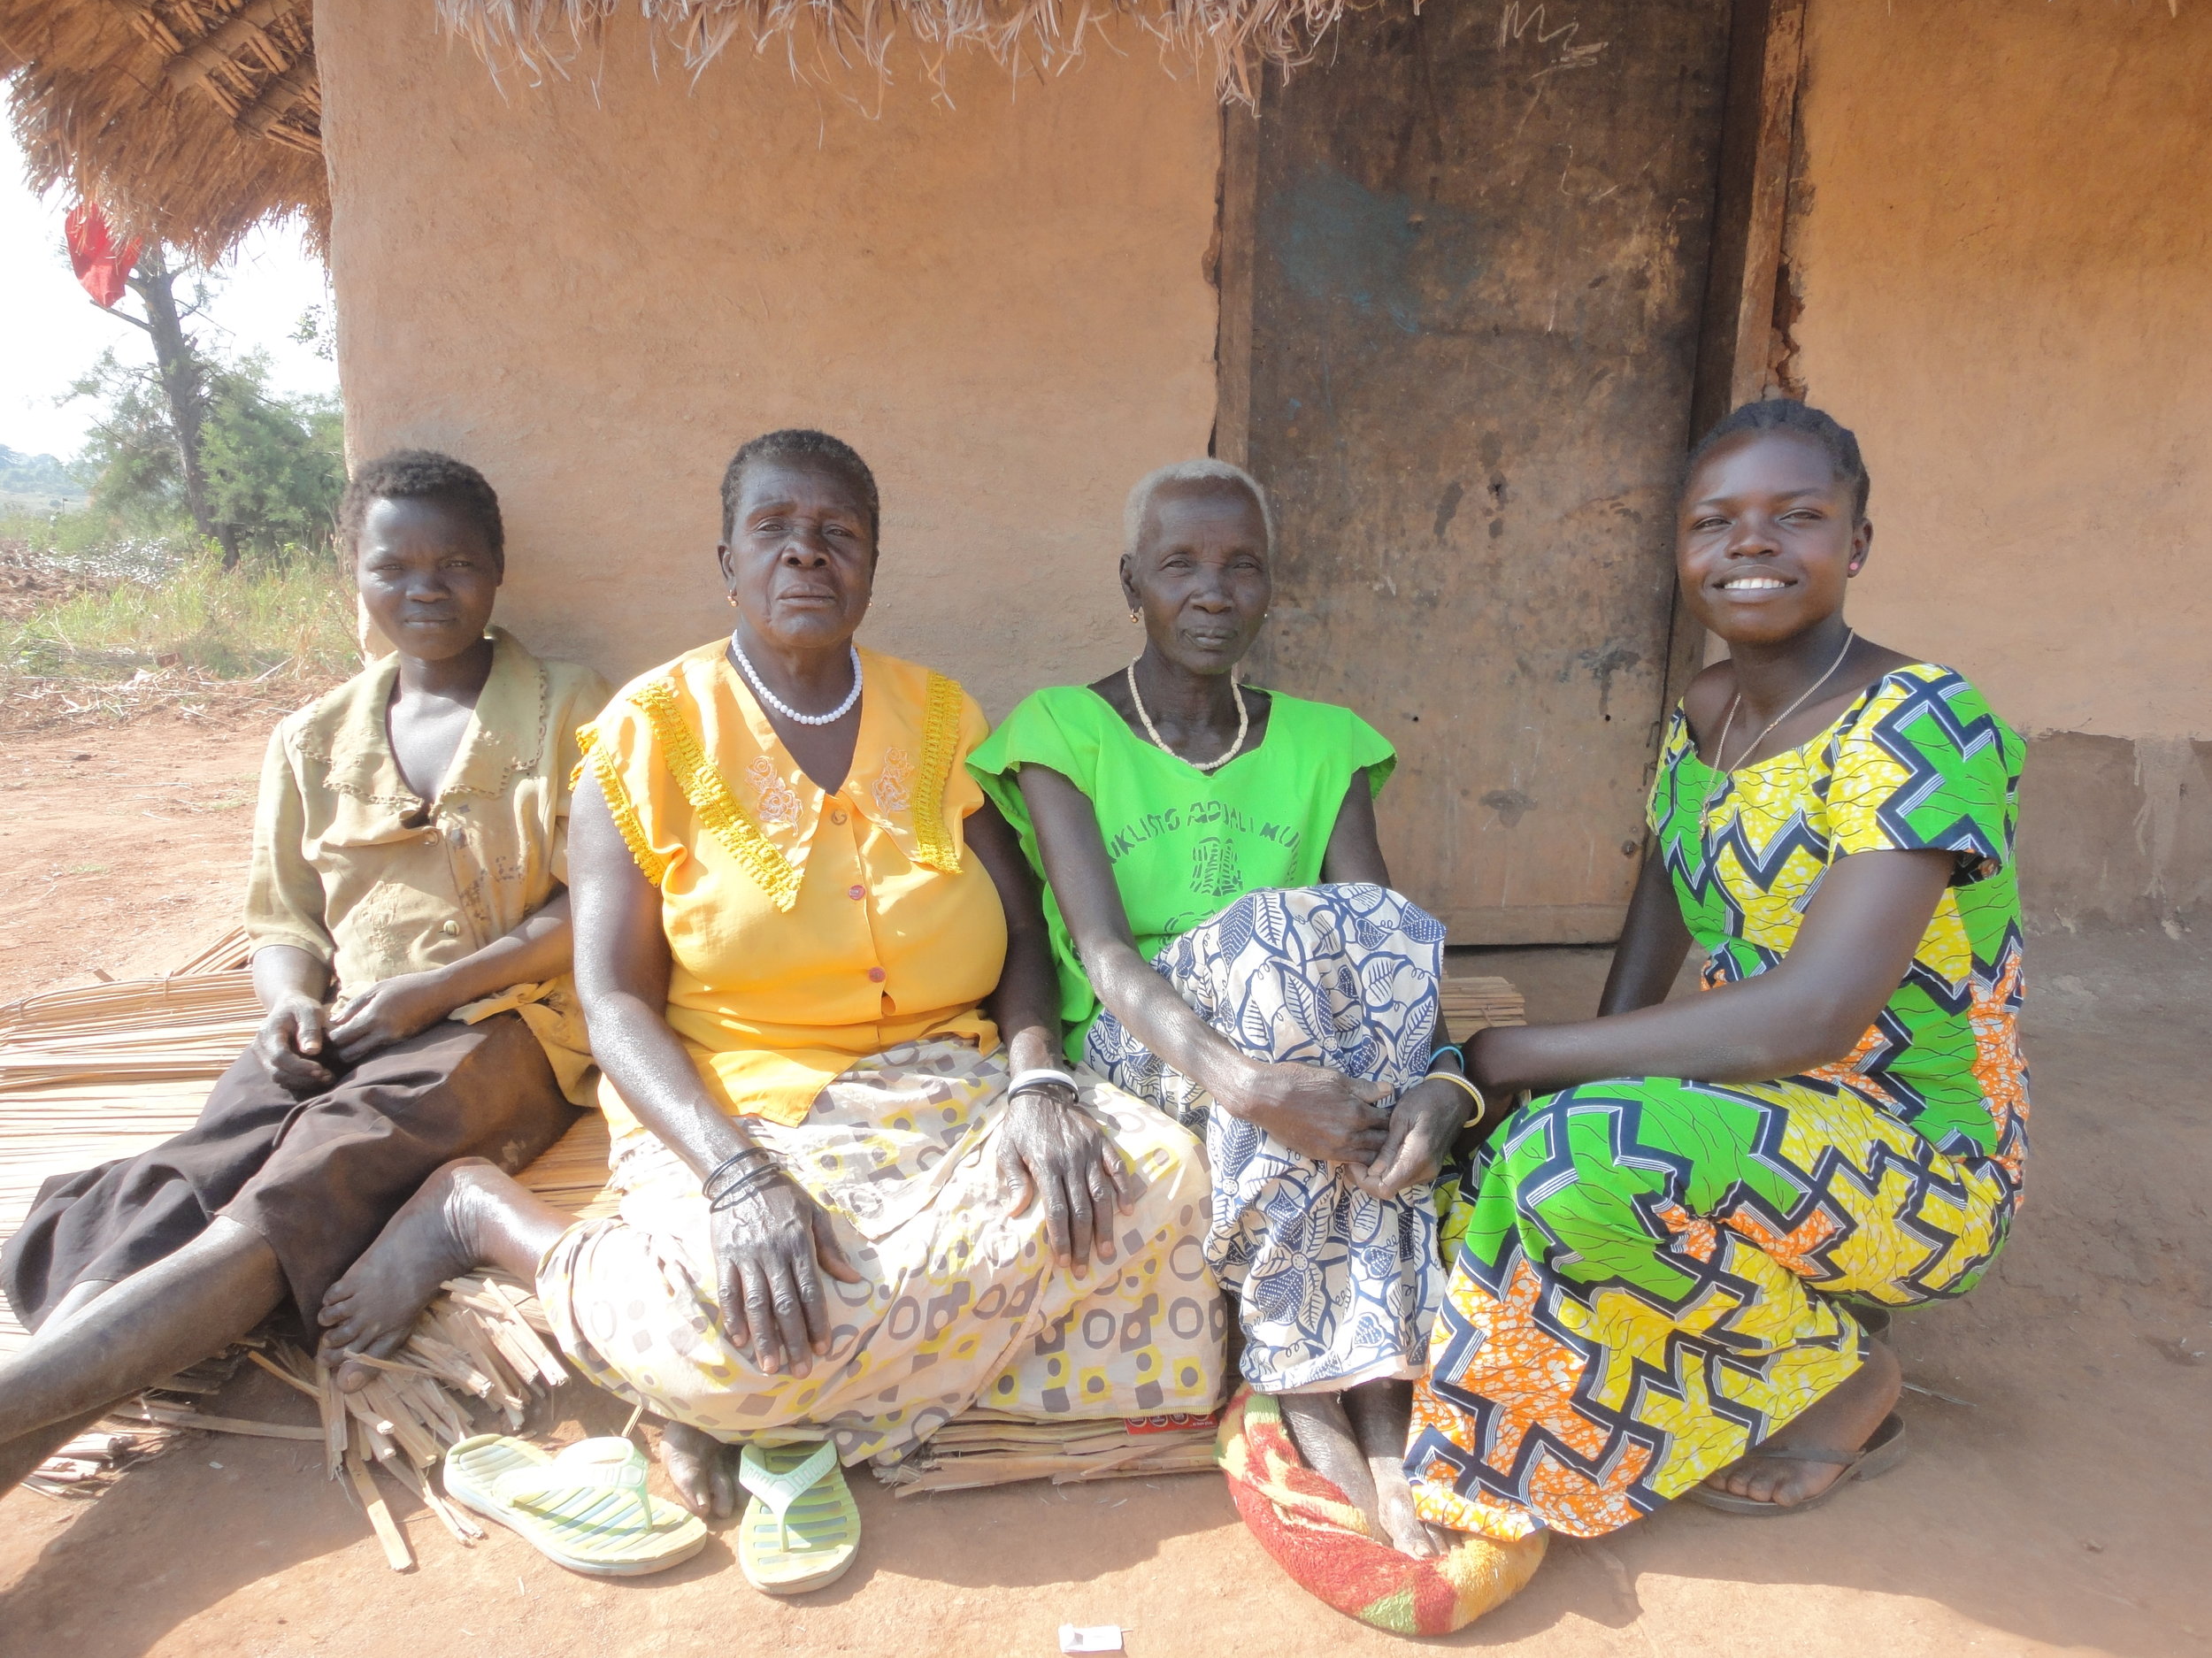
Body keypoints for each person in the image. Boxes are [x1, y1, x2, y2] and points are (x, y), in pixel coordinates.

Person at [314, 430, 1222, 1583]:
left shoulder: (941, 715)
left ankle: (762, 1405)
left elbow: (1024, 943)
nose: (807, 554)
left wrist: (1041, 1078)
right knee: (733, 1306)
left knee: (1159, 1179)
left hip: (954, 1089)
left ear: (873, 564)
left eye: (838, 534)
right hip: (741, 1103)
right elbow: (614, 1000)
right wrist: (734, 1172)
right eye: (775, 531)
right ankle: (489, 1219)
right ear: (727, 561)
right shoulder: (645, 735)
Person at [1405, 400, 2028, 1541]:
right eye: (1716, 523)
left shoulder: (1923, 722)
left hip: (1916, 1156)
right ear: (1683, 550)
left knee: (1563, 1163)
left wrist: (1515, 1058)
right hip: (1755, 1113)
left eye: (1796, 516)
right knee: (1469, 1172)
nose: (1751, 544)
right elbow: (1660, 898)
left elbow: (1812, 1016)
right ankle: (1774, 1310)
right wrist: (1558, 1083)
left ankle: (1841, 1385)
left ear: (1858, 542)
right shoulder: (1706, 709)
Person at [0, 450, 606, 1494]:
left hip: (507, 1027)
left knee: (301, 1186)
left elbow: (591, 904)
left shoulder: (566, 706)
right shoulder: (309, 739)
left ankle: (21, 1407)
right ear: (354, 578)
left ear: (498, 572)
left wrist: (436, 990)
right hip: (347, 1029)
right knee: (180, 1176)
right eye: (395, 567)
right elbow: (282, 920)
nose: (427, 588)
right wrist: (287, 1005)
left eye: (456, 563)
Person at [967, 458, 1475, 1560]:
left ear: (1270, 588)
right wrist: (1243, 1079)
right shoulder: (1065, 729)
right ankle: (1313, 1373)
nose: (1213, 591)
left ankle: (1369, 1388)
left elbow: (1375, 937)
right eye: (1180, 566)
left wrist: (1443, 1074)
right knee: (1272, 953)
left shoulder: (1325, 740)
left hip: (1298, 1031)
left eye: (1242, 567)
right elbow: (1098, 950)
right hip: (1143, 1040)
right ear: (1130, 583)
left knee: (1338, 949)